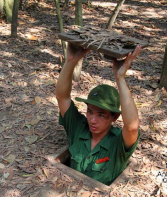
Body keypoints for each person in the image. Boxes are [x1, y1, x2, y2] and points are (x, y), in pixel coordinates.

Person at [55, 44, 142, 185]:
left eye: (101, 115)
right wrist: (70, 60)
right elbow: (62, 97)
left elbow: (132, 127)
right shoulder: (78, 127)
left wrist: (120, 78)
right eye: (90, 111)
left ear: (114, 117)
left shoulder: (118, 143)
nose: (92, 120)